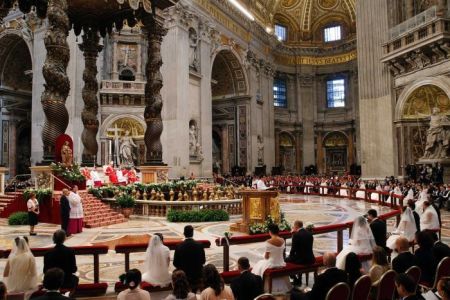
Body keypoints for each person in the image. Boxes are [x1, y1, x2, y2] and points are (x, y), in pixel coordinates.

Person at [252, 224, 291, 293]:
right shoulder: (282, 240)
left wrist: (264, 255)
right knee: (260, 264)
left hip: (272, 263)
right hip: (281, 262)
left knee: (258, 265)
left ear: (270, 232)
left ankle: (261, 286)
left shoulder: (268, 241)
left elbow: (266, 257)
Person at [173, 225, 206, 292]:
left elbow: (175, 263)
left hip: (184, 276)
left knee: (175, 272)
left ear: (184, 233)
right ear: (192, 233)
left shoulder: (179, 246)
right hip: (197, 274)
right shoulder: (199, 245)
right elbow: (203, 261)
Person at [285, 220, 315, 285]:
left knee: (285, 261)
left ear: (296, 226)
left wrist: (290, 257)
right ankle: (299, 279)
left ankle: (296, 280)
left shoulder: (296, 235)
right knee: (297, 257)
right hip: (311, 259)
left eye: (294, 226)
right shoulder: (309, 234)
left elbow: (293, 250)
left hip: (302, 260)